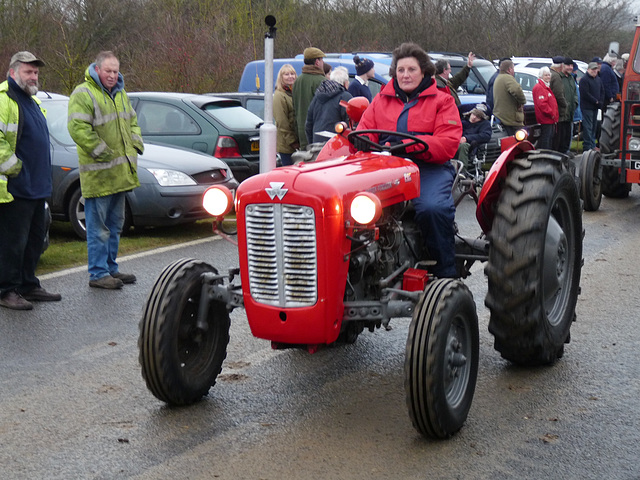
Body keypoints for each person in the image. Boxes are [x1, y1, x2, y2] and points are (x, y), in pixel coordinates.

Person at [355, 43, 461, 278]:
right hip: (384, 166)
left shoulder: (442, 101)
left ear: (424, 72)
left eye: (411, 69)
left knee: (433, 208)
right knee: (349, 208)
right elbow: (365, 131)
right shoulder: (380, 100)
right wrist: (362, 142)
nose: (405, 75)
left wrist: (411, 144)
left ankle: (445, 272)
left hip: (427, 167)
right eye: (401, 70)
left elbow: (447, 143)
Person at [68, 51, 143, 289]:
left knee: (115, 225)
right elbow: (78, 128)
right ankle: (98, 273)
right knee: (98, 229)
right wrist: (102, 151)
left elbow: (132, 121)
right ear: (97, 69)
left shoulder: (121, 94)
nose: (112, 75)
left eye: (115, 71)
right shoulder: (83, 93)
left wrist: (136, 143)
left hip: (119, 176)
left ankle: (111, 268)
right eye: (108, 71)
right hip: (98, 176)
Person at [0, 51, 61, 310]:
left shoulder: (32, 101)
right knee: (13, 243)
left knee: (34, 240)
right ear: (13, 72)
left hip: (37, 187)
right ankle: (6, 290)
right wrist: (15, 169)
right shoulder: (5, 100)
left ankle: (28, 284)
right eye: (28, 71)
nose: (34, 76)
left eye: (35, 72)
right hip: (16, 188)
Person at [305, 66, 352, 145]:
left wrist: (311, 143)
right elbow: (350, 123)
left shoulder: (317, 96)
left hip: (317, 142)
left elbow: (308, 124)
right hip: (337, 144)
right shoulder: (345, 97)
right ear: (346, 83)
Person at [292, 47, 326, 150]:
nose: (323, 63)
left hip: (301, 133)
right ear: (317, 62)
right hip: (316, 135)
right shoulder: (321, 81)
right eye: (321, 59)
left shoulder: (297, 81)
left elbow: (294, 108)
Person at [273, 64, 298, 166]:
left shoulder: (294, 93)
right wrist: (292, 142)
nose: (290, 76)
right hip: (287, 145)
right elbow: (281, 121)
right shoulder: (279, 95)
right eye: (286, 74)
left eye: (292, 74)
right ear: (281, 77)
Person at [492, 59, 526, 135]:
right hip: (511, 119)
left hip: (501, 116)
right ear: (510, 69)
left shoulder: (498, 78)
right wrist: (522, 102)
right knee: (518, 142)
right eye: (513, 69)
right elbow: (517, 90)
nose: (513, 71)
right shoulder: (508, 78)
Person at [579, 62, 604, 151]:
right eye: (592, 69)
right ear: (588, 70)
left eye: (595, 69)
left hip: (595, 107)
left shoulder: (598, 79)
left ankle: (592, 145)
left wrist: (600, 101)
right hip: (587, 107)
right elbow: (585, 94)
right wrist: (595, 101)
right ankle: (587, 146)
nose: (594, 71)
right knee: (588, 127)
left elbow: (602, 91)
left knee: (594, 127)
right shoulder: (584, 80)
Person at [532, 67, 559, 150]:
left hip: (551, 119)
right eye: (546, 75)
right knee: (546, 139)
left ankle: (548, 154)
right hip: (546, 119)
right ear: (541, 76)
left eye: (548, 75)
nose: (548, 77)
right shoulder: (539, 87)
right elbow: (542, 104)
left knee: (550, 138)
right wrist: (551, 113)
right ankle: (545, 155)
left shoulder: (546, 87)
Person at [558, 57, 578, 154]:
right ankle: (561, 152)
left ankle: (566, 151)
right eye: (568, 65)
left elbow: (574, 93)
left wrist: (575, 102)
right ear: (563, 66)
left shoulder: (571, 78)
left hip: (570, 111)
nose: (570, 67)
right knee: (561, 134)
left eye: (571, 65)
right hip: (562, 112)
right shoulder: (559, 77)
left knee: (568, 134)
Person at [550, 56, 569, 152]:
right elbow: (558, 94)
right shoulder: (556, 76)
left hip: (551, 109)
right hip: (557, 110)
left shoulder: (549, 73)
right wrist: (565, 104)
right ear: (561, 65)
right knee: (558, 136)